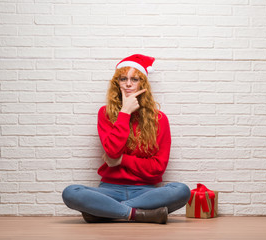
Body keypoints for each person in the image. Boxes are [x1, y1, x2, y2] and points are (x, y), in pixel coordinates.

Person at [62, 54, 191, 224]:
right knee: (71, 192)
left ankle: (107, 210)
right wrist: (125, 112)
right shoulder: (105, 114)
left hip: (146, 192)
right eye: (124, 79)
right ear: (117, 83)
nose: (129, 84)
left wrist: (122, 160)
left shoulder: (159, 119)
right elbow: (112, 151)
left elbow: (157, 167)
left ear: (142, 83)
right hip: (109, 190)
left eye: (134, 79)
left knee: (181, 190)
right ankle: (138, 214)